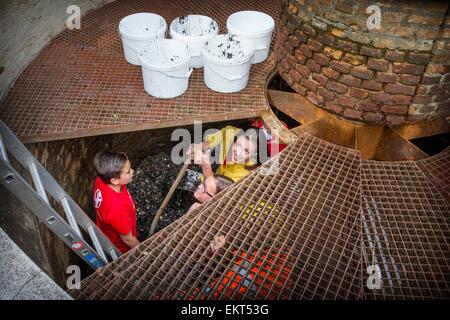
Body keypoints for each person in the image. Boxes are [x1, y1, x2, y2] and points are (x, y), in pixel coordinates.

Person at [93, 150, 140, 254]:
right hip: (121, 248)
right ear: (114, 181)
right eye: (128, 172)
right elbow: (127, 239)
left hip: (107, 230)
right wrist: (143, 251)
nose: (132, 171)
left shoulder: (101, 179)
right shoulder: (117, 208)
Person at [188, 125, 267, 183]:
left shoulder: (246, 178)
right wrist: (202, 145)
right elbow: (226, 131)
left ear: (255, 155)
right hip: (216, 174)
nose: (238, 153)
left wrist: (206, 167)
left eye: (246, 151)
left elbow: (218, 196)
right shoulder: (233, 135)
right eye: (238, 144)